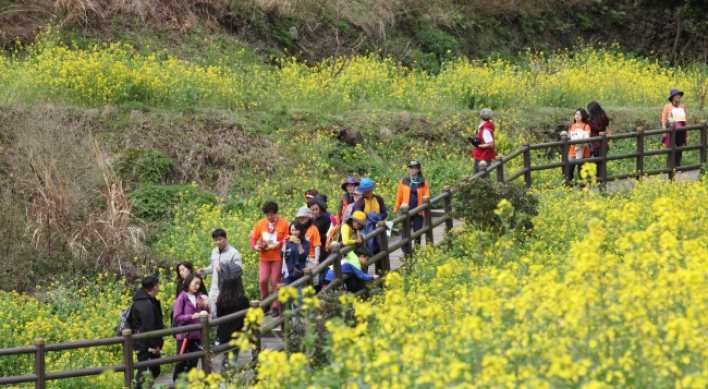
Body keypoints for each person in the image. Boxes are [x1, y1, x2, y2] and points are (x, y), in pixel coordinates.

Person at [250, 201, 289, 316]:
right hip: (264, 257)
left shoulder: (284, 223)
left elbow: (288, 237)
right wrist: (255, 246)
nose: (269, 217)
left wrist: (280, 243)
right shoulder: (260, 223)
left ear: (276, 213)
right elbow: (253, 238)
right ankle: (265, 304)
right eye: (267, 215)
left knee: (275, 281)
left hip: (277, 257)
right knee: (263, 281)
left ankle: (276, 306)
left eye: (271, 214)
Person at [172, 274, 210, 382]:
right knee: (181, 361)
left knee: (194, 361)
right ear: (188, 283)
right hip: (184, 335)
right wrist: (191, 317)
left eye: (199, 284)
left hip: (197, 335)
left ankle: (187, 382)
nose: (197, 286)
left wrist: (205, 307)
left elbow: (206, 315)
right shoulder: (181, 298)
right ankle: (176, 383)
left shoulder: (200, 297)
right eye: (195, 283)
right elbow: (177, 317)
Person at [130, 276, 164, 389]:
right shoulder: (145, 304)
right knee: (145, 370)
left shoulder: (146, 300)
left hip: (144, 342)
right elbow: (147, 327)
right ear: (155, 287)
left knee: (152, 369)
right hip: (145, 344)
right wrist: (154, 345)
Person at [198, 229, 241, 317]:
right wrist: (205, 270)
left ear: (226, 238)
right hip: (214, 289)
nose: (218, 242)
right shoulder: (214, 252)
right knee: (212, 314)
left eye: (220, 239)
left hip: (227, 290)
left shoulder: (233, 253)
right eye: (215, 240)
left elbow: (238, 270)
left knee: (226, 315)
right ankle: (218, 331)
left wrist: (222, 270)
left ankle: (225, 330)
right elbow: (213, 267)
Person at [215, 278, 250, 371]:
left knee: (226, 358)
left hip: (223, 334)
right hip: (237, 333)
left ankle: (224, 380)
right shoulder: (243, 299)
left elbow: (219, 315)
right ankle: (226, 380)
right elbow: (248, 315)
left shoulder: (221, 300)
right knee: (232, 359)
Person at [353, 178, 387, 274]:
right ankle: (364, 282)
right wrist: (368, 218)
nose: (367, 192)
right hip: (365, 232)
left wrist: (376, 217)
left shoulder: (379, 199)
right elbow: (357, 217)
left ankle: (379, 279)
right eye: (365, 190)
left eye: (369, 189)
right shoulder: (360, 202)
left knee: (379, 256)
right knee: (365, 256)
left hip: (378, 230)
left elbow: (384, 214)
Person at [394, 161, 431, 245]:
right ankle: (405, 251)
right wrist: (396, 207)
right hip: (406, 210)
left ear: (418, 170)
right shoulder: (404, 180)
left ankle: (416, 249)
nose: (411, 170)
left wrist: (425, 209)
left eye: (414, 168)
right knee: (405, 231)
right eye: (410, 168)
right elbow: (399, 195)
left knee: (417, 231)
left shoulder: (423, 181)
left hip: (418, 210)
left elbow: (426, 195)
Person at [661, 88, 689, 168]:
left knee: (679, 147)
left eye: (679, 95)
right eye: (676, 95)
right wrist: (664, 131)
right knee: (671, 147)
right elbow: (664, 120)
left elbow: (685, 119)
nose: (678, 96)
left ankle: (677, 165)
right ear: (672, 97)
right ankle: (670, 166)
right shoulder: (667, 107)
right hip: (672, 130)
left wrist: (687, 130)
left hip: (682, 130)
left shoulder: (683, 106)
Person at [295, 207, 321, 286]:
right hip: (299, 257)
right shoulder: (297, 229)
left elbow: (317, 245)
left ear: (309, 218)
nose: (301, 219)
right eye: (300, 217)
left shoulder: (314, 229)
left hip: (311, 257)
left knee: (312, 281)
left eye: (304, 217)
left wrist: (316, 259)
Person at [281, 221, 310, 286]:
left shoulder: (306, 243)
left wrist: (299, 245)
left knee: (299, 294)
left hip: (299, 272)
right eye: (292, 230)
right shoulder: (287, 242)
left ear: (301, 231)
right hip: (287, 272)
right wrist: (285, 245)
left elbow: (303, 257)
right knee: (288, 294)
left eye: (296, 230)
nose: (294, 232)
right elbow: (282, 255)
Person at [567, 108, 591, 183]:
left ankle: (582, 188)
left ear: (583, 116)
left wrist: (574, 135)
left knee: (581, 171)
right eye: (576, 114)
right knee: (569, 169)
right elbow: (568, 136)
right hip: (572, 151)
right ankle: (570, 186)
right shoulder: (572, 126)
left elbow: (587, 136)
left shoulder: (586, 126)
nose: (577, 116)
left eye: (579, 115)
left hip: (583, 152)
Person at [470, 108, 496, 176]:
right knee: (478, 177)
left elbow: (490, 144)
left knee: (481, 177)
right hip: (481, 156)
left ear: (480, 116)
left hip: (483, 157)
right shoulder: (484, 127)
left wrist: (478, 145)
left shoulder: (485, 130)